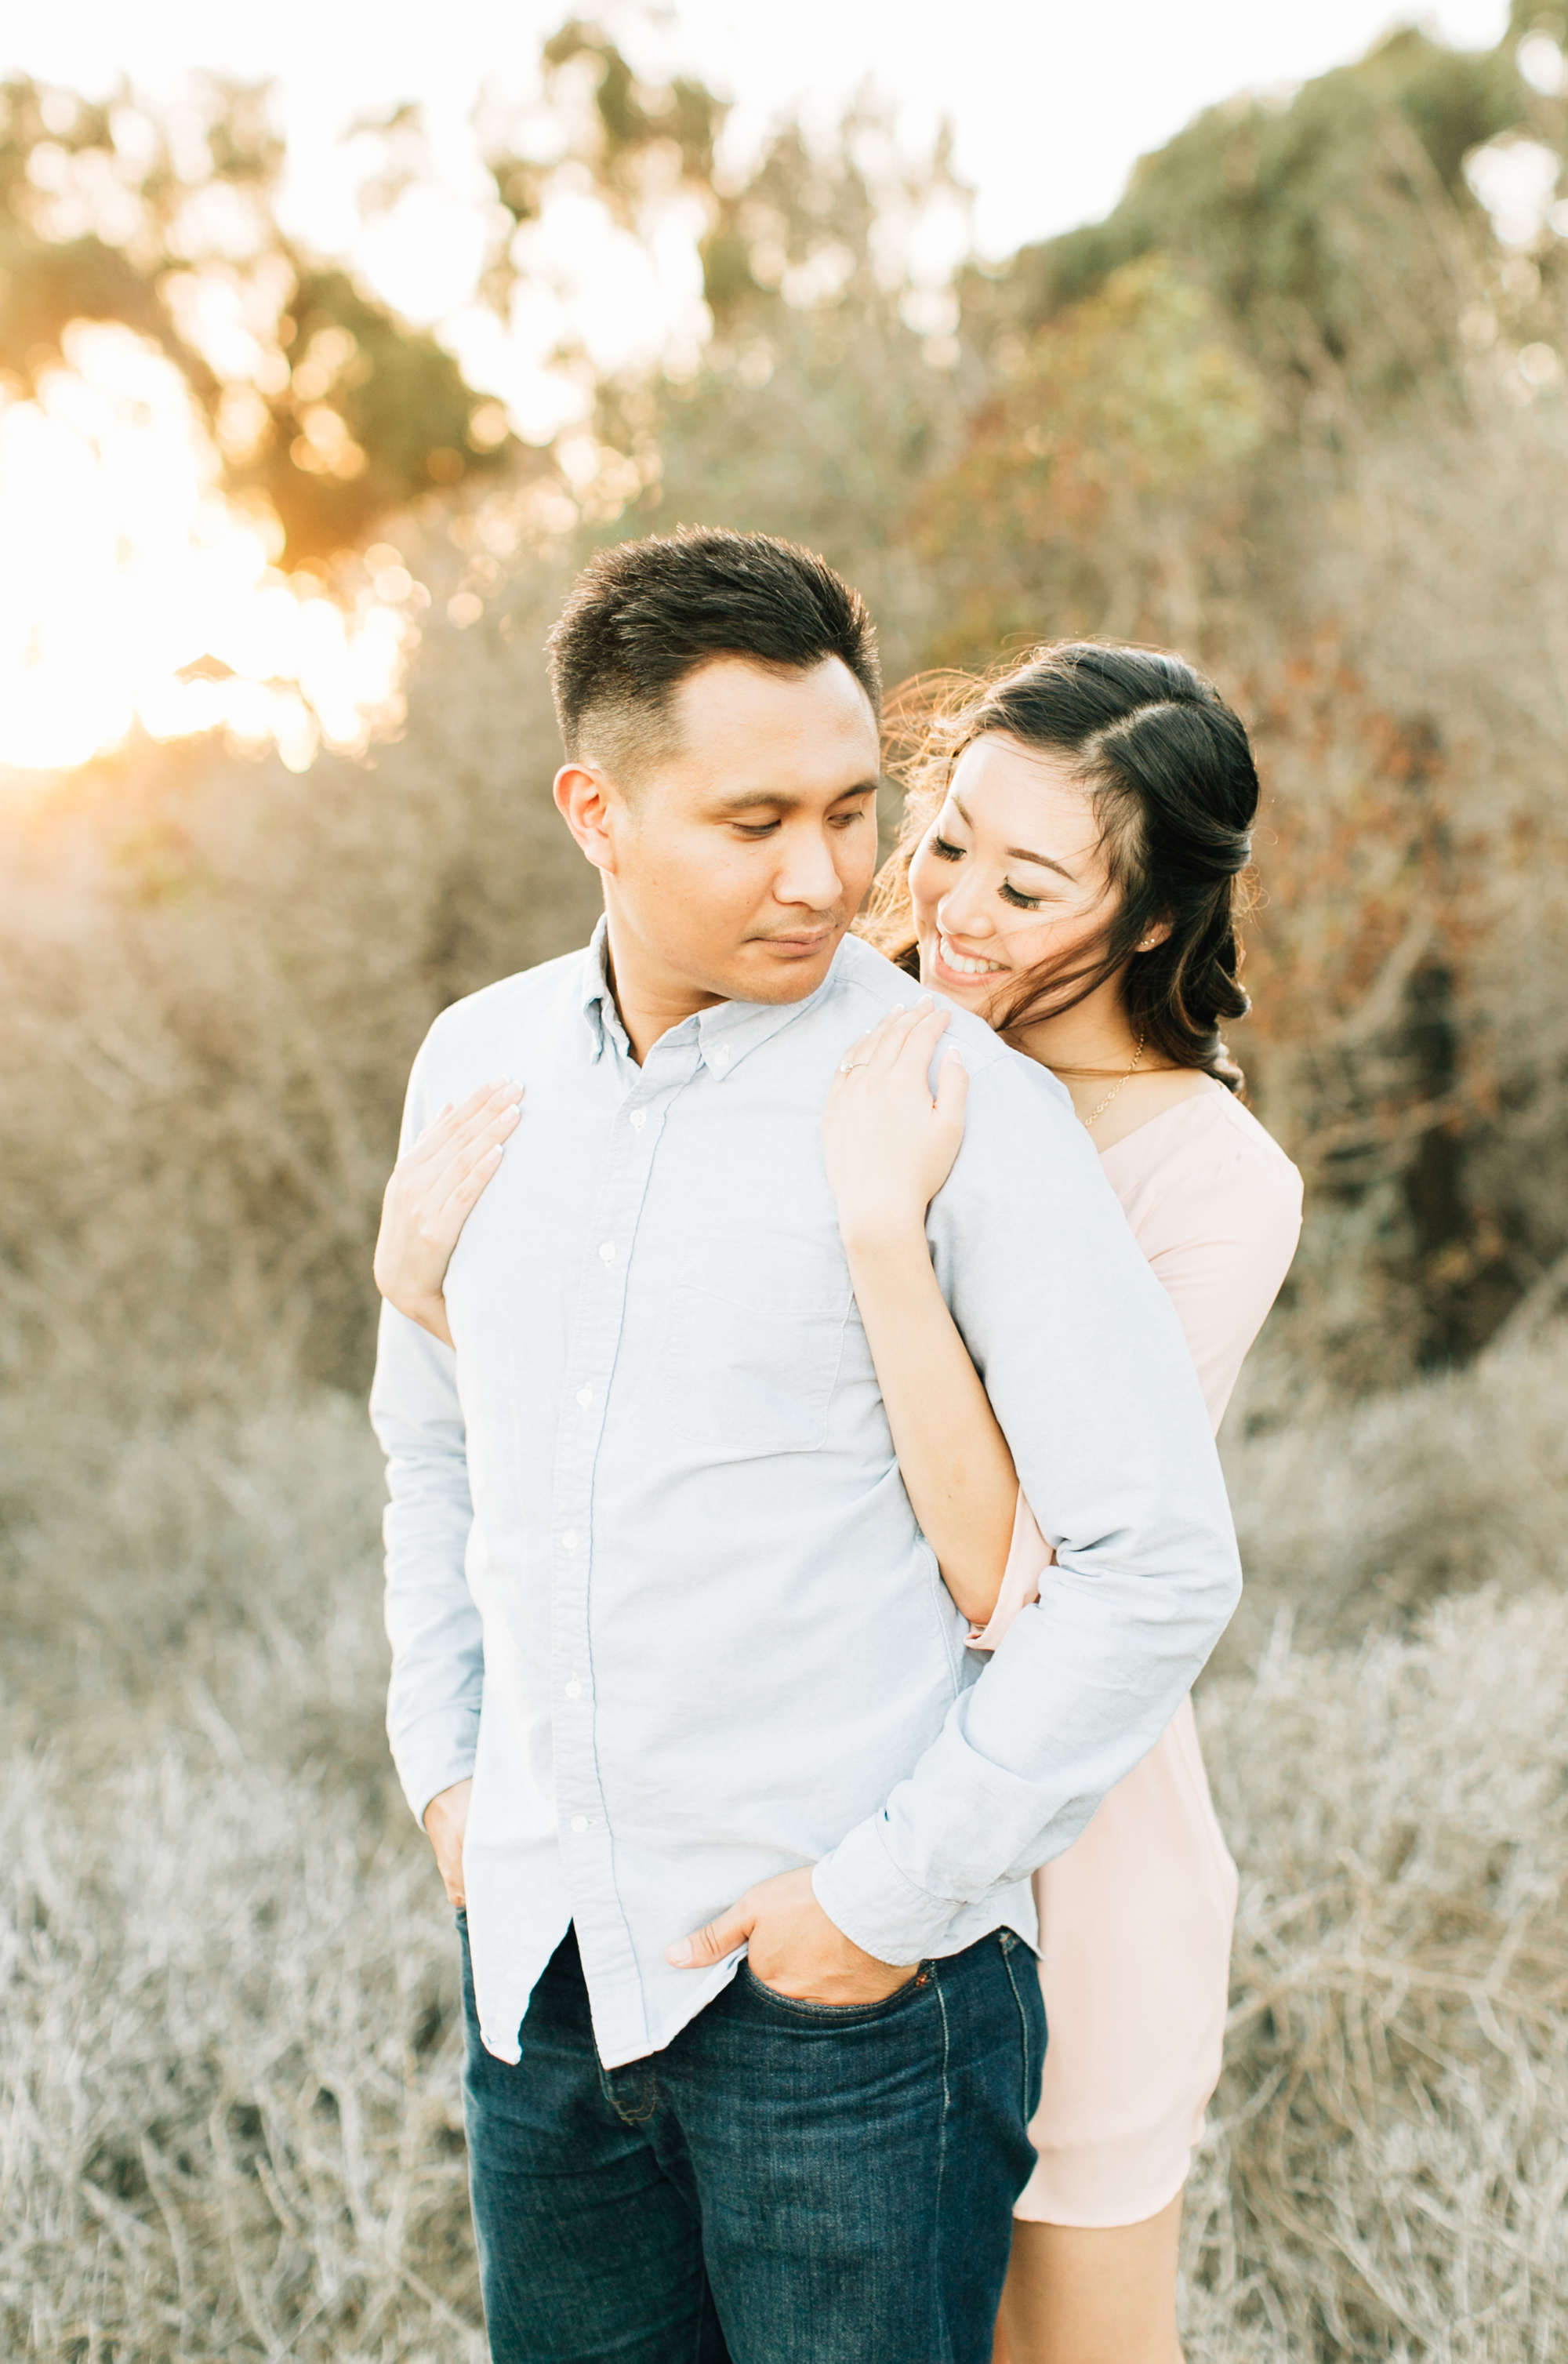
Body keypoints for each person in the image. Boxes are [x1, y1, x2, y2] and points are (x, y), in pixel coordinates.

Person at [369, 531, 1243, 2364]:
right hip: (545, 1972)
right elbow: (438, 1442)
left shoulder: (952, 1097)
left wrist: (880, 1901)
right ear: (594, 806)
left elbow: (1150, 1561)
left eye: (853, 810)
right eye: (755, 819)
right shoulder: (473, 1066)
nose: (831, 874)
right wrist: (445, 1762)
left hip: (846, 2018)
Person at [823, 641, 1302, 2364]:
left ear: (1157, 920)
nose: (951, 903)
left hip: (1077, 1867)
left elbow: (1024, 1571)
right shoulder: (847, 1047)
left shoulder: (1209, 1181)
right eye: (947, 839)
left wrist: (886, 1236)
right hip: (812, 1825)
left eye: (1027, 884)